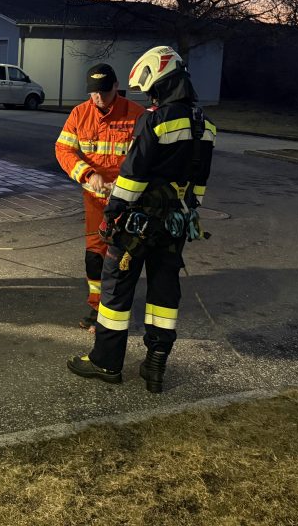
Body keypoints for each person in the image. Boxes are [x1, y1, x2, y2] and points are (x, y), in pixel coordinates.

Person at [67, 46, 216, 393]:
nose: (150, 97)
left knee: (116, 290)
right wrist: (185, 211)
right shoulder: (204, 124)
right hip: (175, 223)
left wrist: (112, 213)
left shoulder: (155, 120)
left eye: (152, 91)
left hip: (137, 224)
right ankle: (155, 364)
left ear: (161, 82)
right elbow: (200, 183)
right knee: (164, 290)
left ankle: (106, 362)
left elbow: (132, 177)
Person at [55, 63, 143, 332]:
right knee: (95, 255)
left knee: (122, 256)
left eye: (104, 91)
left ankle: (116, 309)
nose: (98, 97)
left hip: (127, 201)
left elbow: (144, 158)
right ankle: (96, 307)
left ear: (116, 86)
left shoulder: (136, 115)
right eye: (93, 92)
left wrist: (124, 183)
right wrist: (88, 174)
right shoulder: (80, 114)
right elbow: (63, 149)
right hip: (95, 199)